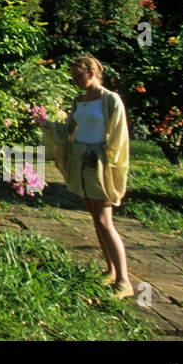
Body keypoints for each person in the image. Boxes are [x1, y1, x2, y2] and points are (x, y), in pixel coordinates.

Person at [35, 55, 133, 299]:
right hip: (80, 159)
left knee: (104, 220)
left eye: (79, 75)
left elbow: (119, 136)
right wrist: (48, 125)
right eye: (74, 76)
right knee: (95, 218)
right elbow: (69, 129)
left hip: (98, 162)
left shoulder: (110, 100)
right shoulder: (79, 101)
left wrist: (107, 160)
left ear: (92, 73)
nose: (76, 80)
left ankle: (124, 281)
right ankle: (110, 270)